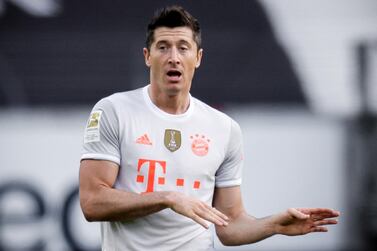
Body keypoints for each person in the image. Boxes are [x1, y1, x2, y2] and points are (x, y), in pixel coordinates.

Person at [79, 5, 339, 251]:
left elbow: (230, 225)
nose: (173, 58)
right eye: (163, 47)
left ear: (198, 58)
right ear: (147, 56)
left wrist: (273, 225)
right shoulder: (113, 111)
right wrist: (167, 198)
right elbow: (92, 203)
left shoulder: (224, 128)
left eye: (183, 48)